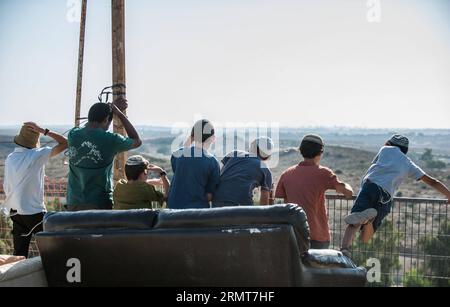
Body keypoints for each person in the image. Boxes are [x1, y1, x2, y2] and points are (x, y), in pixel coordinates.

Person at [340, 135, 450, 257]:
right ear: (405, 151)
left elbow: (374, 165)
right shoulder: (408, 163)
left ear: (388, 143)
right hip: (386, 196)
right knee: (365, 238)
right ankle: (369, 220)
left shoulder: (384, 149)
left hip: (370, 186)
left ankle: (345, 249)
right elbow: (433, 181)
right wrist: (448, 195)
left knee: (354, 222)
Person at [275, 134, 354, 250]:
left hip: (293, 234)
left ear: (301, 151)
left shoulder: (286, 174)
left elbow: (281, 198)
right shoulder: (323, 173)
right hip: (318, 236)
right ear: (320, 153)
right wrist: (345, 185)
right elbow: (348, 193)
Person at [3, 122, 68, 258]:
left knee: (19, 255)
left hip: (15, 212)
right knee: (53, 251)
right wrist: (44, 131)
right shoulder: (36, 155)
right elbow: (65, 143)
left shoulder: (10, 157)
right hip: (33, 212)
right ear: (34, 140)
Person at [66, 98, 142, 211]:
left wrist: (108, 111)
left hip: (73, 202)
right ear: (106, 119)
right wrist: (119, 114)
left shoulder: (73, 134)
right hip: (99, 203)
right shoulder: (111, 140)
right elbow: (136, 140)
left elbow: (89, 126)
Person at [168, 119, 220, 209]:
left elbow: (179, 172)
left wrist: (192, 138)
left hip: (173, 211)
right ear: (213, 138)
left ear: (192, 136)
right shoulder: (212, 162)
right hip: (197, 212)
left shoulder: (177, 155)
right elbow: (209, 196)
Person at [213, 137, 274, 207]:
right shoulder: (265, 170)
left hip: (218, 200)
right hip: (242, 205)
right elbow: (264, 202)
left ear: (253, 146)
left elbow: (221, 174)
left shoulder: (234, 153)